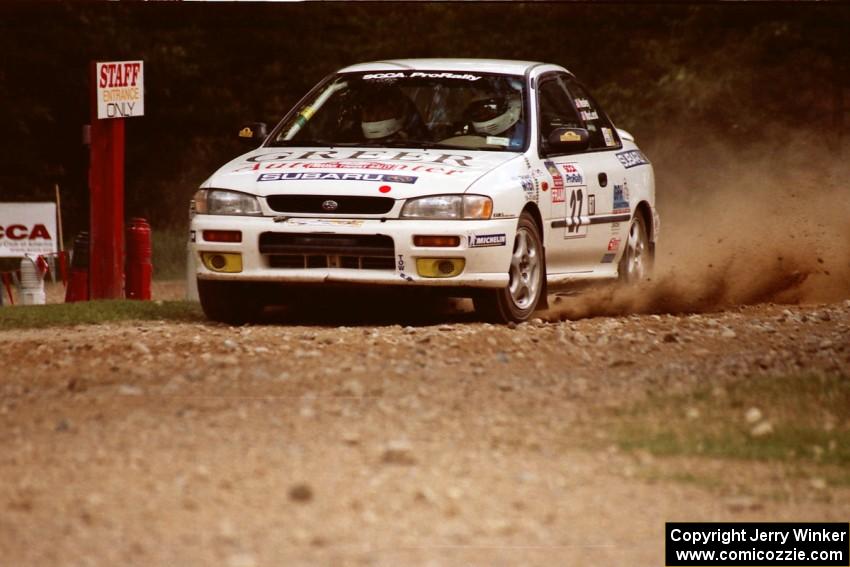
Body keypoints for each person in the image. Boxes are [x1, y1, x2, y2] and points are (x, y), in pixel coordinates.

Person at [359, 86, 426, 141]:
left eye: (381, 112)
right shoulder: (353, 136)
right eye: (370, 112)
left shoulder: (417, 137)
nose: (373, 117)